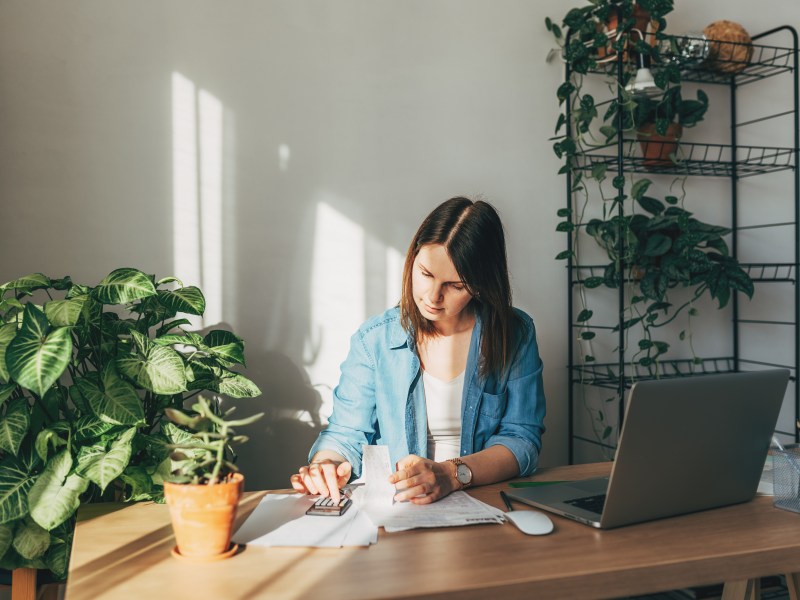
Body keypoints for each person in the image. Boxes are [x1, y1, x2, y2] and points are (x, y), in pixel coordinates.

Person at [290, 197, 546, 505]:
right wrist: (326, 465)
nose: (433, 297)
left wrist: (451, 475)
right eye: (425, 274)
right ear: (412, 259)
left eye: (455, 285)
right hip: (402, 507)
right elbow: (346, 434)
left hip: (484, 499)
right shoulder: (375, 340)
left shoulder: (514, 334)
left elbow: (522, 439)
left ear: (480, 284)